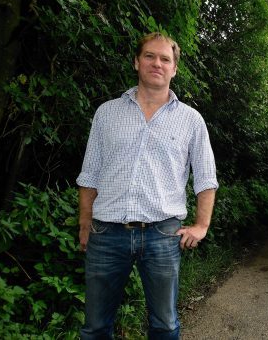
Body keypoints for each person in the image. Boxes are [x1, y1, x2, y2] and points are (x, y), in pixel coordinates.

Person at [76, 32, 218, 339]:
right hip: (106, 233)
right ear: (137, 62)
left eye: (165, 59)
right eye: (150, 56)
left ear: (174, 69)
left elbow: (206, 178)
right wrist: (85, 223)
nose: (157, 63)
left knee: (165, 326)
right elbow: (89, 175)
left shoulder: (191, 120)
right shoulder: (107, 113)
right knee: (95, 326)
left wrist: (202, 225)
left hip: (163, 235)